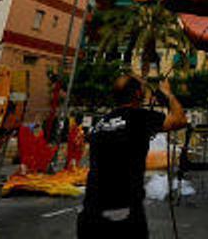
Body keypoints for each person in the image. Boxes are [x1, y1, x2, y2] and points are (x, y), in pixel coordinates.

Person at [77, 75, 187, 239]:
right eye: (143, 89)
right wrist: (168, 94)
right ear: (137, 94)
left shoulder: (101, 123)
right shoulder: (139, 117)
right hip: (122, 215)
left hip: (90, 214)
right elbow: (180, 119)